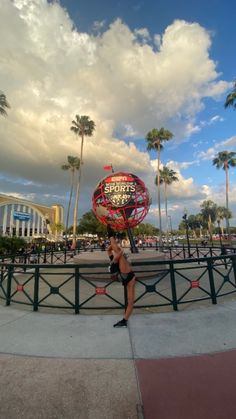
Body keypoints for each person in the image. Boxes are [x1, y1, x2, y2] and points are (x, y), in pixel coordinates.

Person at [107, 225, 136, 328]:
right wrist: (114, 242)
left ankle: (124, 321)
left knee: (130, 301)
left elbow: (110, 251)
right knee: (131, 301)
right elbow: (119, 251)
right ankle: (111, 235)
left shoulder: (113, 260)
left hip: (123, 277)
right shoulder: (116, 260)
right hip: (127, 276)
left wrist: (113, 243)